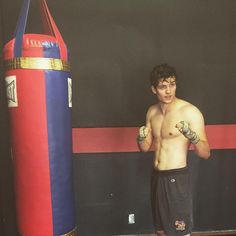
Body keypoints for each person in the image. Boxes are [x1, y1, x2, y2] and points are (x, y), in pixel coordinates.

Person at [136, 64, 210, 236]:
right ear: (154, 89)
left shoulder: (190, 112)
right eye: (163, 86)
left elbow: (206, 153)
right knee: (161, 231)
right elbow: (145, 148)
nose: (169, 91)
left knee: (179, 233)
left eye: (172, 84)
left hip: (177, 178)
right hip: (157, 178)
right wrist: (140, 138)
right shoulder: (151, 112)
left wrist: (191, 135)